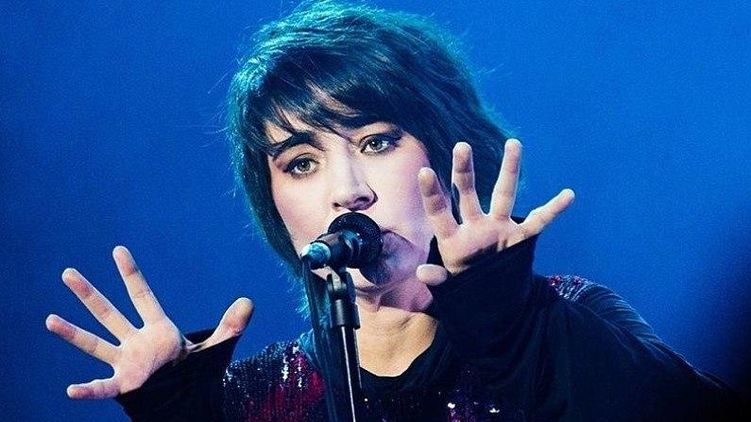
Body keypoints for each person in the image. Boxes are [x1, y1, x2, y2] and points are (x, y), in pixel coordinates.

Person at [46, 1, 742, 420]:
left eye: (376, 142)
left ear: (443, 145)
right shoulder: (258, 398)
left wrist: (511, 328)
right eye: (300, 162)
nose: (346, 190)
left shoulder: (557, 321)